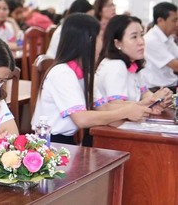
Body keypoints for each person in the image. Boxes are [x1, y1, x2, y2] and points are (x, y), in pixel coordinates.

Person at [32, 14, 151, 145]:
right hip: (49, 143)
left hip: (65, 142)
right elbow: (82, 119)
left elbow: (103, 107)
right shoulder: (62, 73)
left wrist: (140, 107)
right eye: (100, 37)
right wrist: (125, 112)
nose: (103, 42)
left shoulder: (84, 72)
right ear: (88, 40)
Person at [94, 14, 171, 109]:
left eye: (142, 35)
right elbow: (117, 105)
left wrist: (160, 99)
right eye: (134, 37)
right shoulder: (115, 65)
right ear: (118, 43)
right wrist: (152, 100)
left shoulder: (133, 63)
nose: (141, 42)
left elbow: (145, 93)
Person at [142, 2, 178, 91]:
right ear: (160, 21)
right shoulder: (152, 40)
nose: (177, 24)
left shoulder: (168, 37)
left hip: (170, 85)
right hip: (156, 90)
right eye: (174, 20)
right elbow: (176, 66)